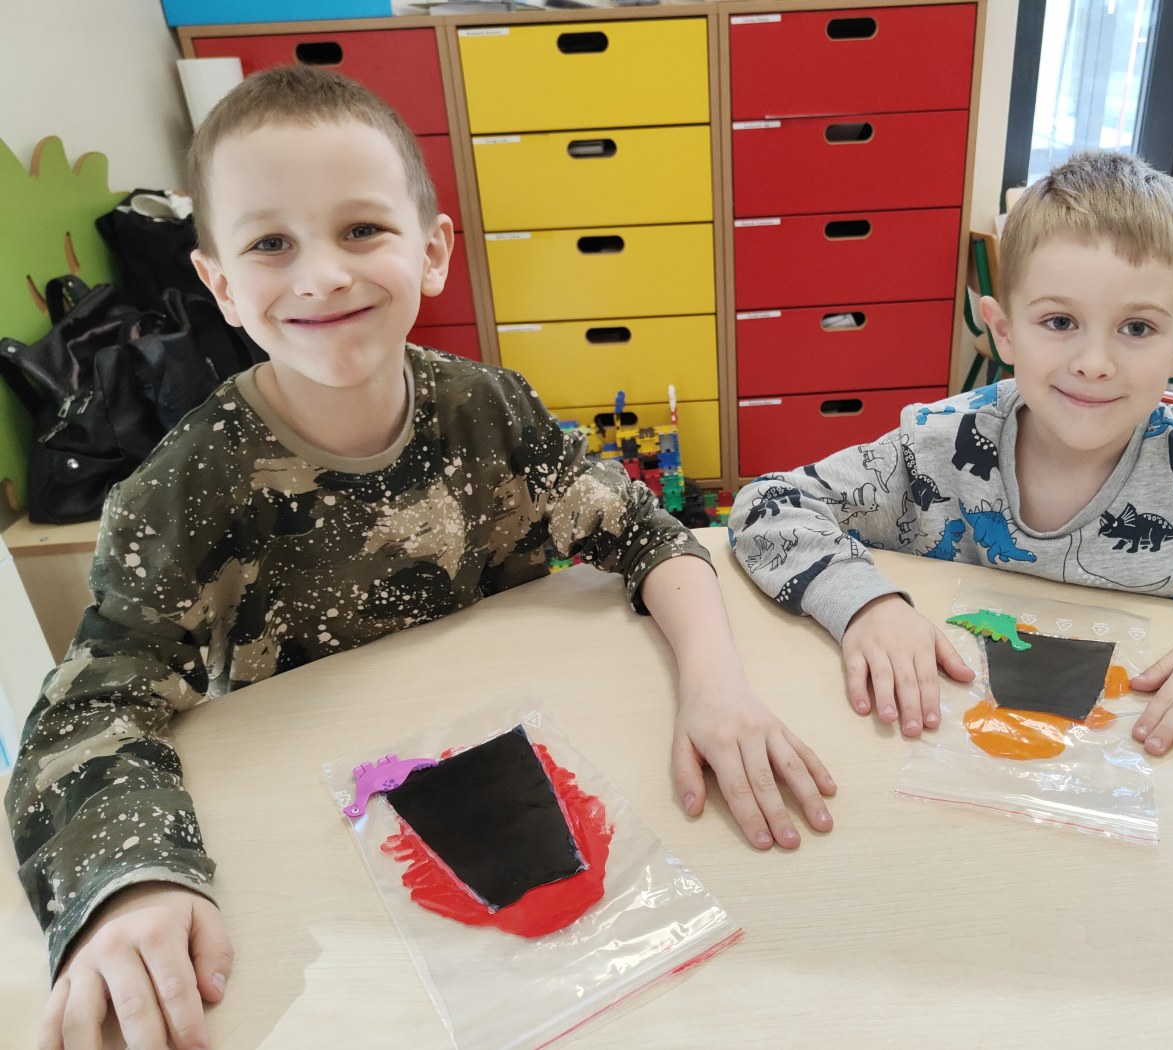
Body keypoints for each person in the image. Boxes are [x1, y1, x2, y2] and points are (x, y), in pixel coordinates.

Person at [6, 66, 835, 1050]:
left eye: (361, 229)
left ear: (432, 251)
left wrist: (716, 689)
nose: (322, 275)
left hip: (518, 789)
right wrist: (131, 886)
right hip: (324, 852)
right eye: (271, 244)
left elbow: (650, 535)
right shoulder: (178, 495)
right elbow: (85, 714)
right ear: (220, 284)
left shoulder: (490, 411)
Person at [731, 150, 1173, 768]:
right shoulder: (933, 445)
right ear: (1003, 330)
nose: (1094, 363)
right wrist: (867, 605)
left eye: (1137, 328)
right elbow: (768, 505)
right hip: (938, 756)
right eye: (1059, 322)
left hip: (1151, 777)